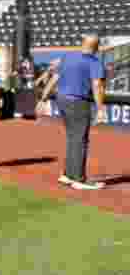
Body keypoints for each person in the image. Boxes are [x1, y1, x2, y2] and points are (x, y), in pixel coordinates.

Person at [42, 34, 108, 190]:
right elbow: (97, 85)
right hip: (78, 102)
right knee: (80, 140)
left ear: (83, 43)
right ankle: (78, 179)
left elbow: (55, 77)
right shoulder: (94, 62)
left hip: (62, 99)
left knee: (73, 138)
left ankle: (68, 174)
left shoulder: (68, 56)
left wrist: (44, 97)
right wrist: (100, 108)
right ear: (96, 47)